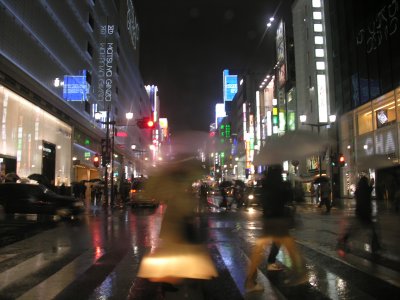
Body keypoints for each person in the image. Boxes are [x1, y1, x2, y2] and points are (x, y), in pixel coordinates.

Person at [245, 165, 307, 293]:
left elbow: (262, 200)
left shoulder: (265, 185)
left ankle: (250, 280)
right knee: (290, 247)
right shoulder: (282, 185)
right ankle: (300, 274)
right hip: (280, 220)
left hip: (268, 220)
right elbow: (292, 198)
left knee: (259, 248)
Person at [337, 176, 381, 255]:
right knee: (372, 230)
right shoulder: (366, 189)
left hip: (360, 212)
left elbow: (360, 194)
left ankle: (344, 239)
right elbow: (369, 190)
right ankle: (375, 246)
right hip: (366, 213)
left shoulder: (358, 190)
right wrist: (371, 184)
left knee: (355, 229)